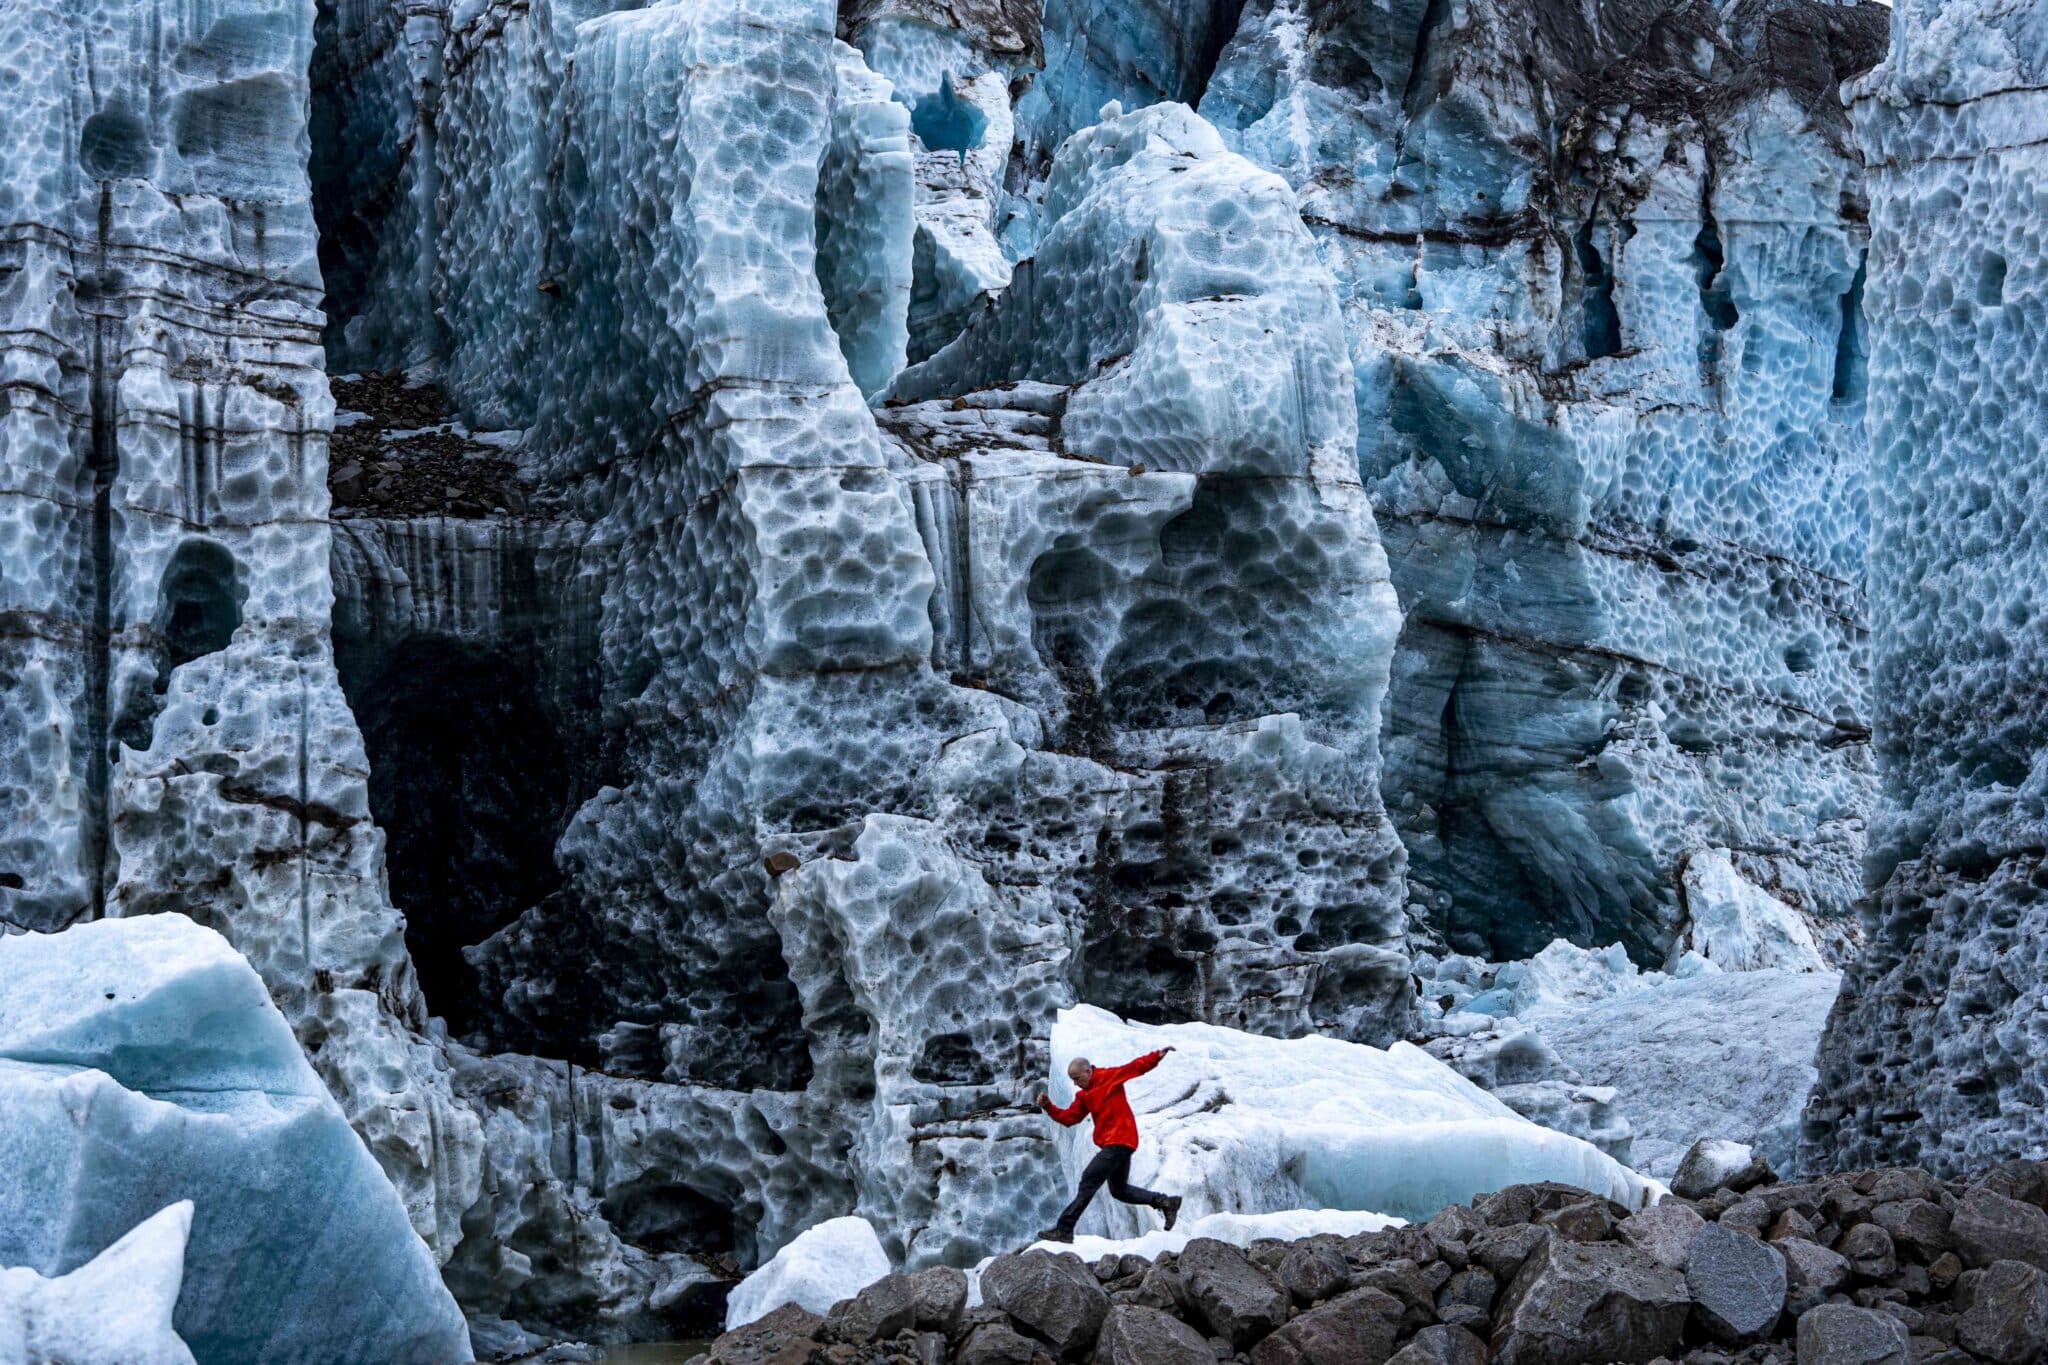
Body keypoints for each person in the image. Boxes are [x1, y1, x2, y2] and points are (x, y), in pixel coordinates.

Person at [1034, 1047, 1182, 1243]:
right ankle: (1165, 1202)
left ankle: (1064, 1229)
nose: (1076, 1084)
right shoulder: (1084, 1096)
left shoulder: (1108, 1077)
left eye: (1078, 1078)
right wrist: (1048, 1106)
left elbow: (1135, 1067)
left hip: (1120, 1140)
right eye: (1073, 1080)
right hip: (1114, 1145)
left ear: (1088, 1071)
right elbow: (1070, 1118)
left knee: (1089, 1179)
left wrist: (1157, 1056)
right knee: (1119, 1191)